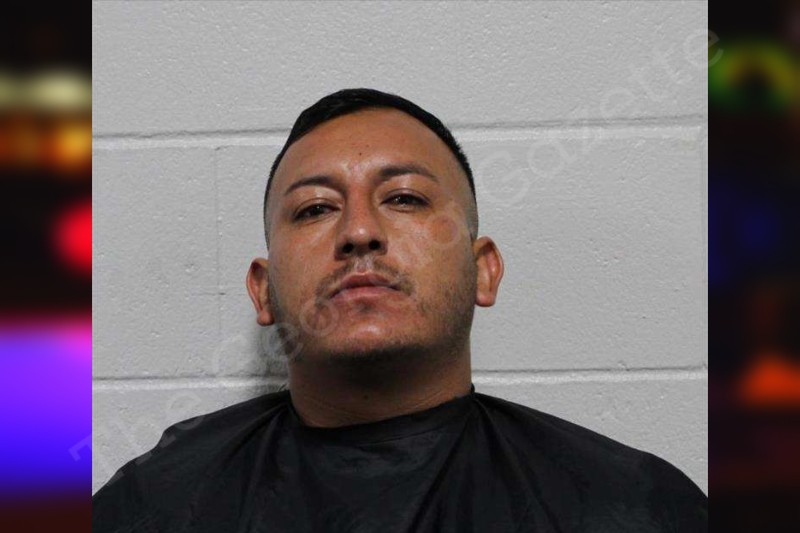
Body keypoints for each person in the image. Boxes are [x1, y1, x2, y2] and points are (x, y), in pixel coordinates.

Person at [93, 88, 708, 532]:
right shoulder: (155, 505)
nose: (359, 231)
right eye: (314, 208)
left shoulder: (632, 506)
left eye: (406, 198)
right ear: (263, 291)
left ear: (483, 270)